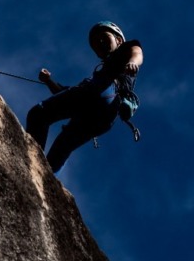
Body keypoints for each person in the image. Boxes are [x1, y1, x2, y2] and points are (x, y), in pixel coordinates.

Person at [26, 21, 143, 172]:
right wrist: (49, 80)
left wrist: (133, 63)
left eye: (104, 37)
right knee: (63, 146)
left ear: (119, 40)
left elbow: (137, 52)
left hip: (102, 93)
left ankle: (28, 159)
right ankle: (43, 176)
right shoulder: (100, 75)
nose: (100, 43)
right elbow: (62, 92)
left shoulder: (125, 51)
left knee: (39, 114)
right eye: (95, 44)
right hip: (105, 113)